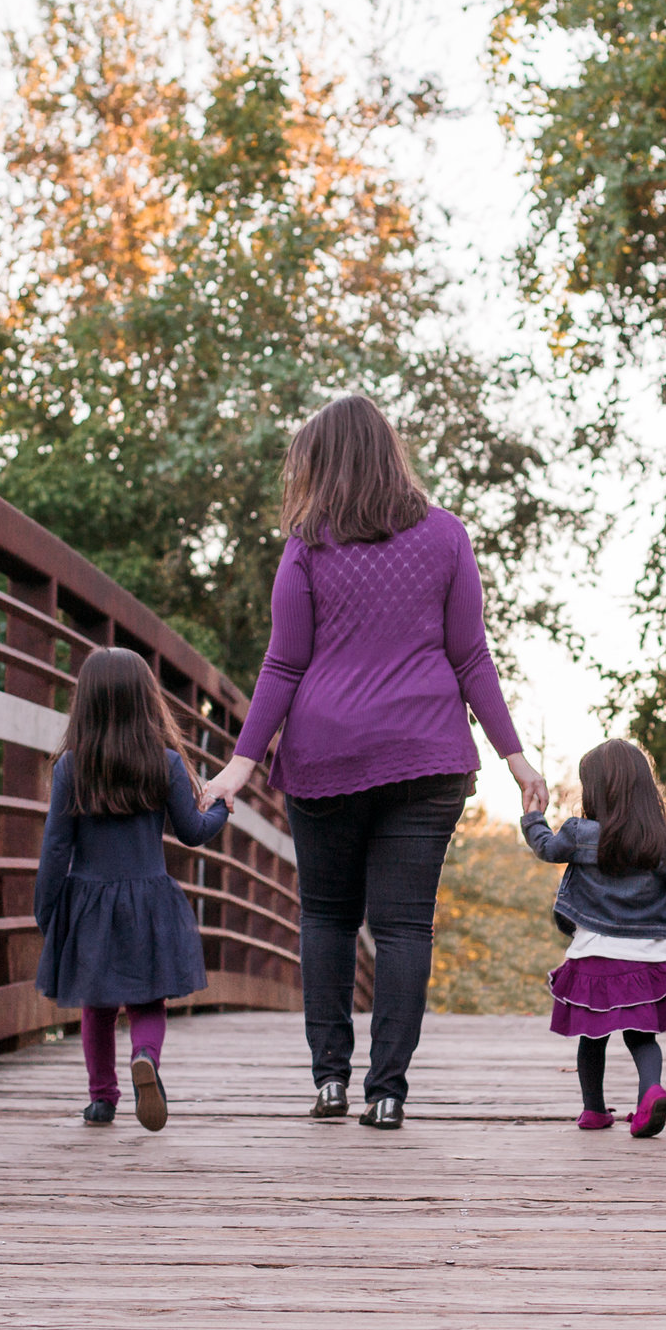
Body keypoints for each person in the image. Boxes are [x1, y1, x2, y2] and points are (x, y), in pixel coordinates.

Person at [203, 395, 546, 1130]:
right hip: (426, 754)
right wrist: (515, 758)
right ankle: (387, 1089)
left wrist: (240, 763)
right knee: (404, 927)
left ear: (321, 464)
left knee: (327, 915)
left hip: (326, 753)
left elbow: (284, 663)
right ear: (390, 454)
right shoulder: (447, 536)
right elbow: (471, 656)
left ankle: (330, 1079)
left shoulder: (307, 546)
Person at [34, 647, 231, 1132]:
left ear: (88, 702)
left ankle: (102, 1099)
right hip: (148, 899)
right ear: (147, 700)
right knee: (148, 1001)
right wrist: (221, 808)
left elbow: (56, 849)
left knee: (96, 1006)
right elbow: (191, 830)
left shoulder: (71, 767)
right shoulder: (163, 763)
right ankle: (145, 1056)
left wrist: (47, 910)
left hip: (89, 902)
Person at [523, 738, 666, 1138]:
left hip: (593, 958)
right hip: (646, 962)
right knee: (641, 1036)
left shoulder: (580, 834)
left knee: (592, 1038)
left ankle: (594, 1111)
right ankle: (651, 1091)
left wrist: (533, 816)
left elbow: (545, 847)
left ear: (594, 791)